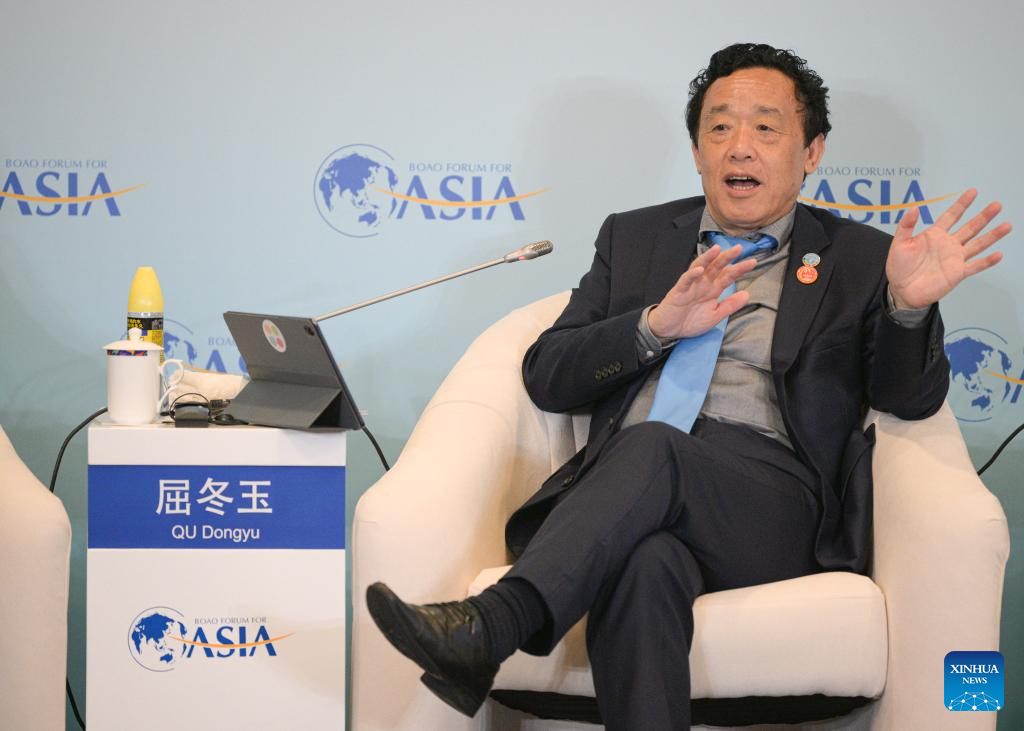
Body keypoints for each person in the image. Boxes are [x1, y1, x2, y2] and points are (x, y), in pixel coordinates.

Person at [366, 43, 1012, 729]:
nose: (740, 147)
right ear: (699, 152)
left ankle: (496, 623)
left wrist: (908, 307)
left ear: (812, 152)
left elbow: (908, 400)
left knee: (654, 447)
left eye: (766, 128)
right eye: (720, 127)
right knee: (645, 567)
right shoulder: (635, 239)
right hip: (633, 496)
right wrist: (654, 327)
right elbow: (548, 374)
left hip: (774, 505)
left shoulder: (861, 257)